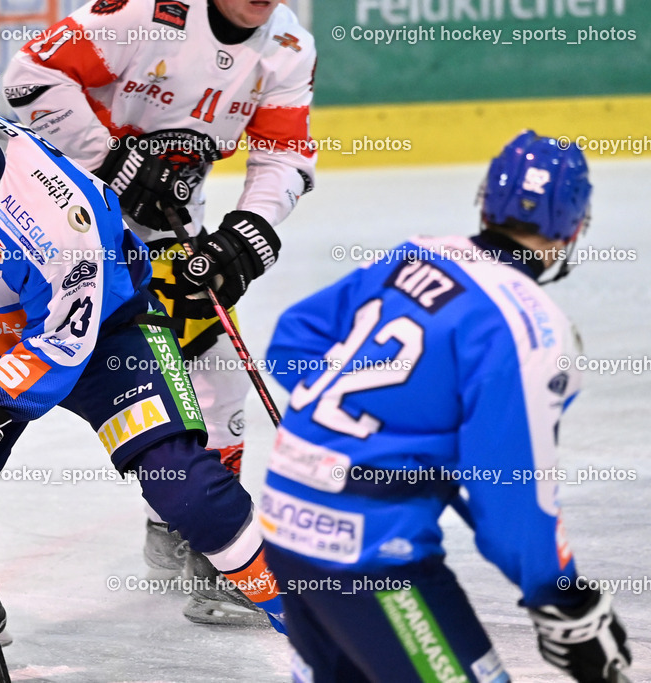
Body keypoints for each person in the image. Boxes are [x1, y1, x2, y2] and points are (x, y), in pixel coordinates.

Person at [0, 41, 285, 663]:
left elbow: (63, 340)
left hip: (106, 342)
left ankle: (306, 612)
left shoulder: (54, 208)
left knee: (187, 492)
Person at [259, 131, 632, 682]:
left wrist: (365, 429)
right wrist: (564, 596)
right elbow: (511, 496)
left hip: (285, 524)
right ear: (574, 228)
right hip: (373, 556)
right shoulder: (533, 328)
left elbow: (294, 341)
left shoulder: (414, 254)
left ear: (485, 201)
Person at [2, 0, 317, 624]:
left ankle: (197, 538)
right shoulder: (145, 13)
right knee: (101, 374)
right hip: (61, 221)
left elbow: (283, 155)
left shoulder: (288, 48)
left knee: (217, 373)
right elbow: (27, 79)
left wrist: (249, 232)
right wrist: (109, 157)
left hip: (171, 233)